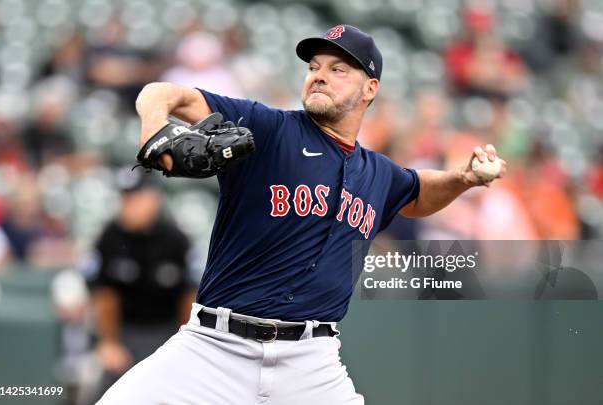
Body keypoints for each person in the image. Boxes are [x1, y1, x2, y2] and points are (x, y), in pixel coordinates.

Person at [98, 25, 506, 404]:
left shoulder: (380, 174)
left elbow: (418, 193)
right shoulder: (269, 129)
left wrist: (464, 178)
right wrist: (153, 128)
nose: (319, 75)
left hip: (311, 363)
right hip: (215, 348)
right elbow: (161, 93)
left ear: (370, 89)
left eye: (337, 68)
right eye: (313, 67)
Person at [83, 167, 197, 402]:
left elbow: (189, 295)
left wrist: (188, 344)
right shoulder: (110, 236)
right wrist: (108, 343)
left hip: (167, 332)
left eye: (135, 198)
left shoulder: (176, 239)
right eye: (124, 198)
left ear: (153, 198)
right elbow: (103, 295)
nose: (128, 205)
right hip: (125, 331)